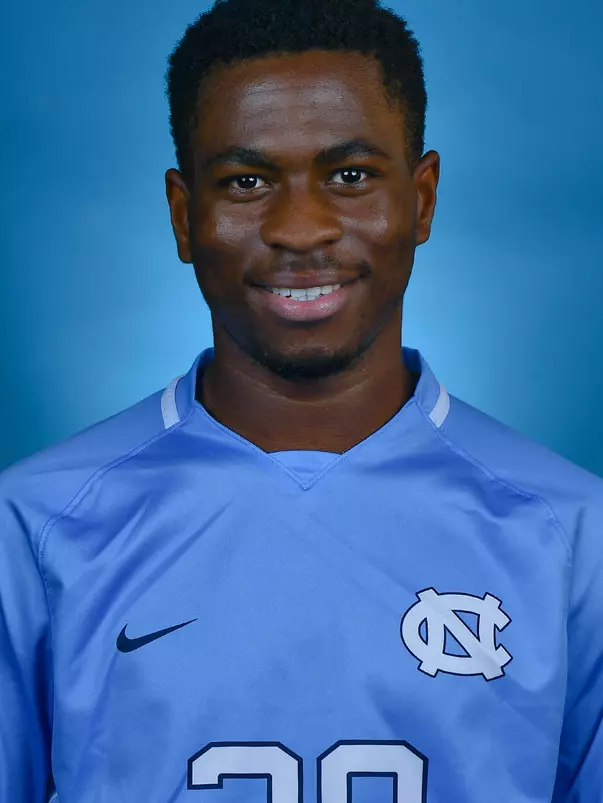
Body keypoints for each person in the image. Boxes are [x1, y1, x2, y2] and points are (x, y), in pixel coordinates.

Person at [1, 0, 602, 799]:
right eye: (246, 181)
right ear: (185, 216)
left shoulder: (569, 534)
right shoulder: (38, 525)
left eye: (349, 176)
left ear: (421, 198)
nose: (299, 227)